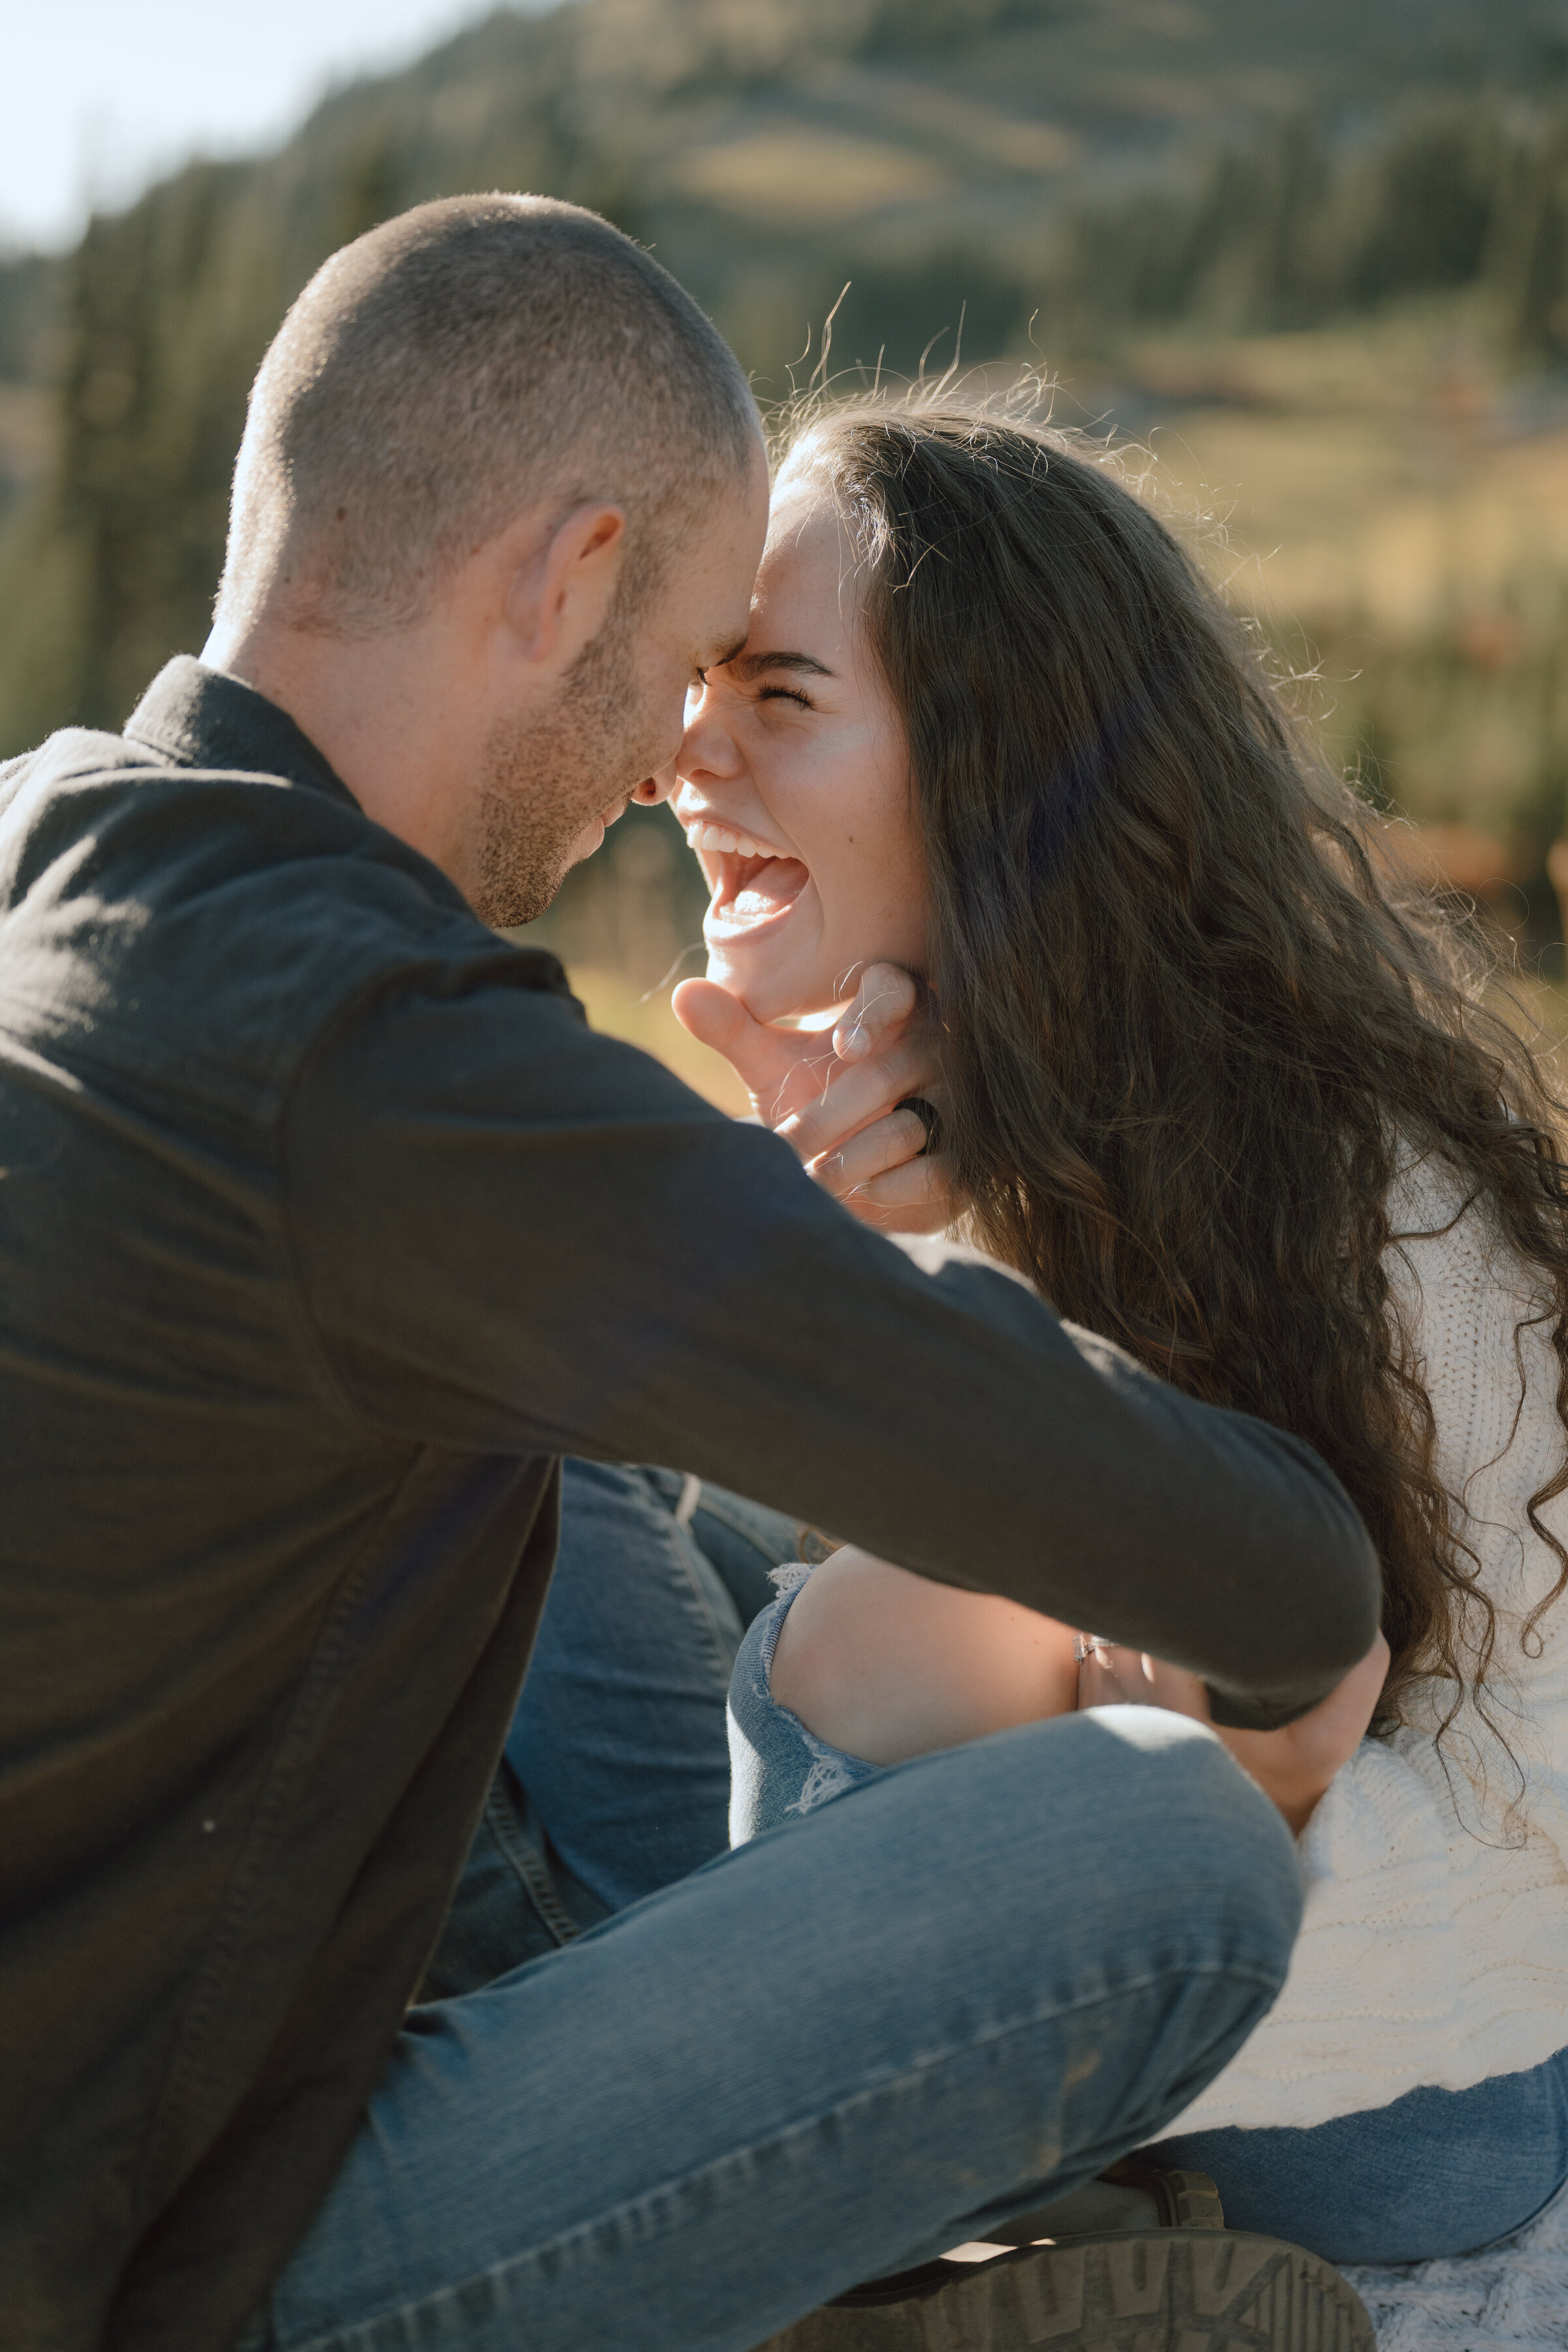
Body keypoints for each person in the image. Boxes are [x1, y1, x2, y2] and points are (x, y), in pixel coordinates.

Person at [0, 199, 1384, 2352]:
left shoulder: (58, 856)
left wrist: (787, 1232)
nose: (669, 764)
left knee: (603, 1515)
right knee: (1171, 1859)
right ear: (561, 579)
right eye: (673, 670)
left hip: (165, 2036)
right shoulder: (370, 1057)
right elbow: (1281, 1580)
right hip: (179, 2254)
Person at [634, 394, 1568, 2269]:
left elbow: (1521, 1820)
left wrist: (1249, 1817)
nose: (684, 751)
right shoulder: (974, 1110)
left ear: (994, 765)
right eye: (692, 685)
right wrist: (854, 1243)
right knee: (556, 1488)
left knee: (869, 1623)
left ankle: (680, 2120)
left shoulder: (1358, 1195)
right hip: (1131, 1959)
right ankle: (654, 2051)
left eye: (779, 696)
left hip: (1411, 2077)